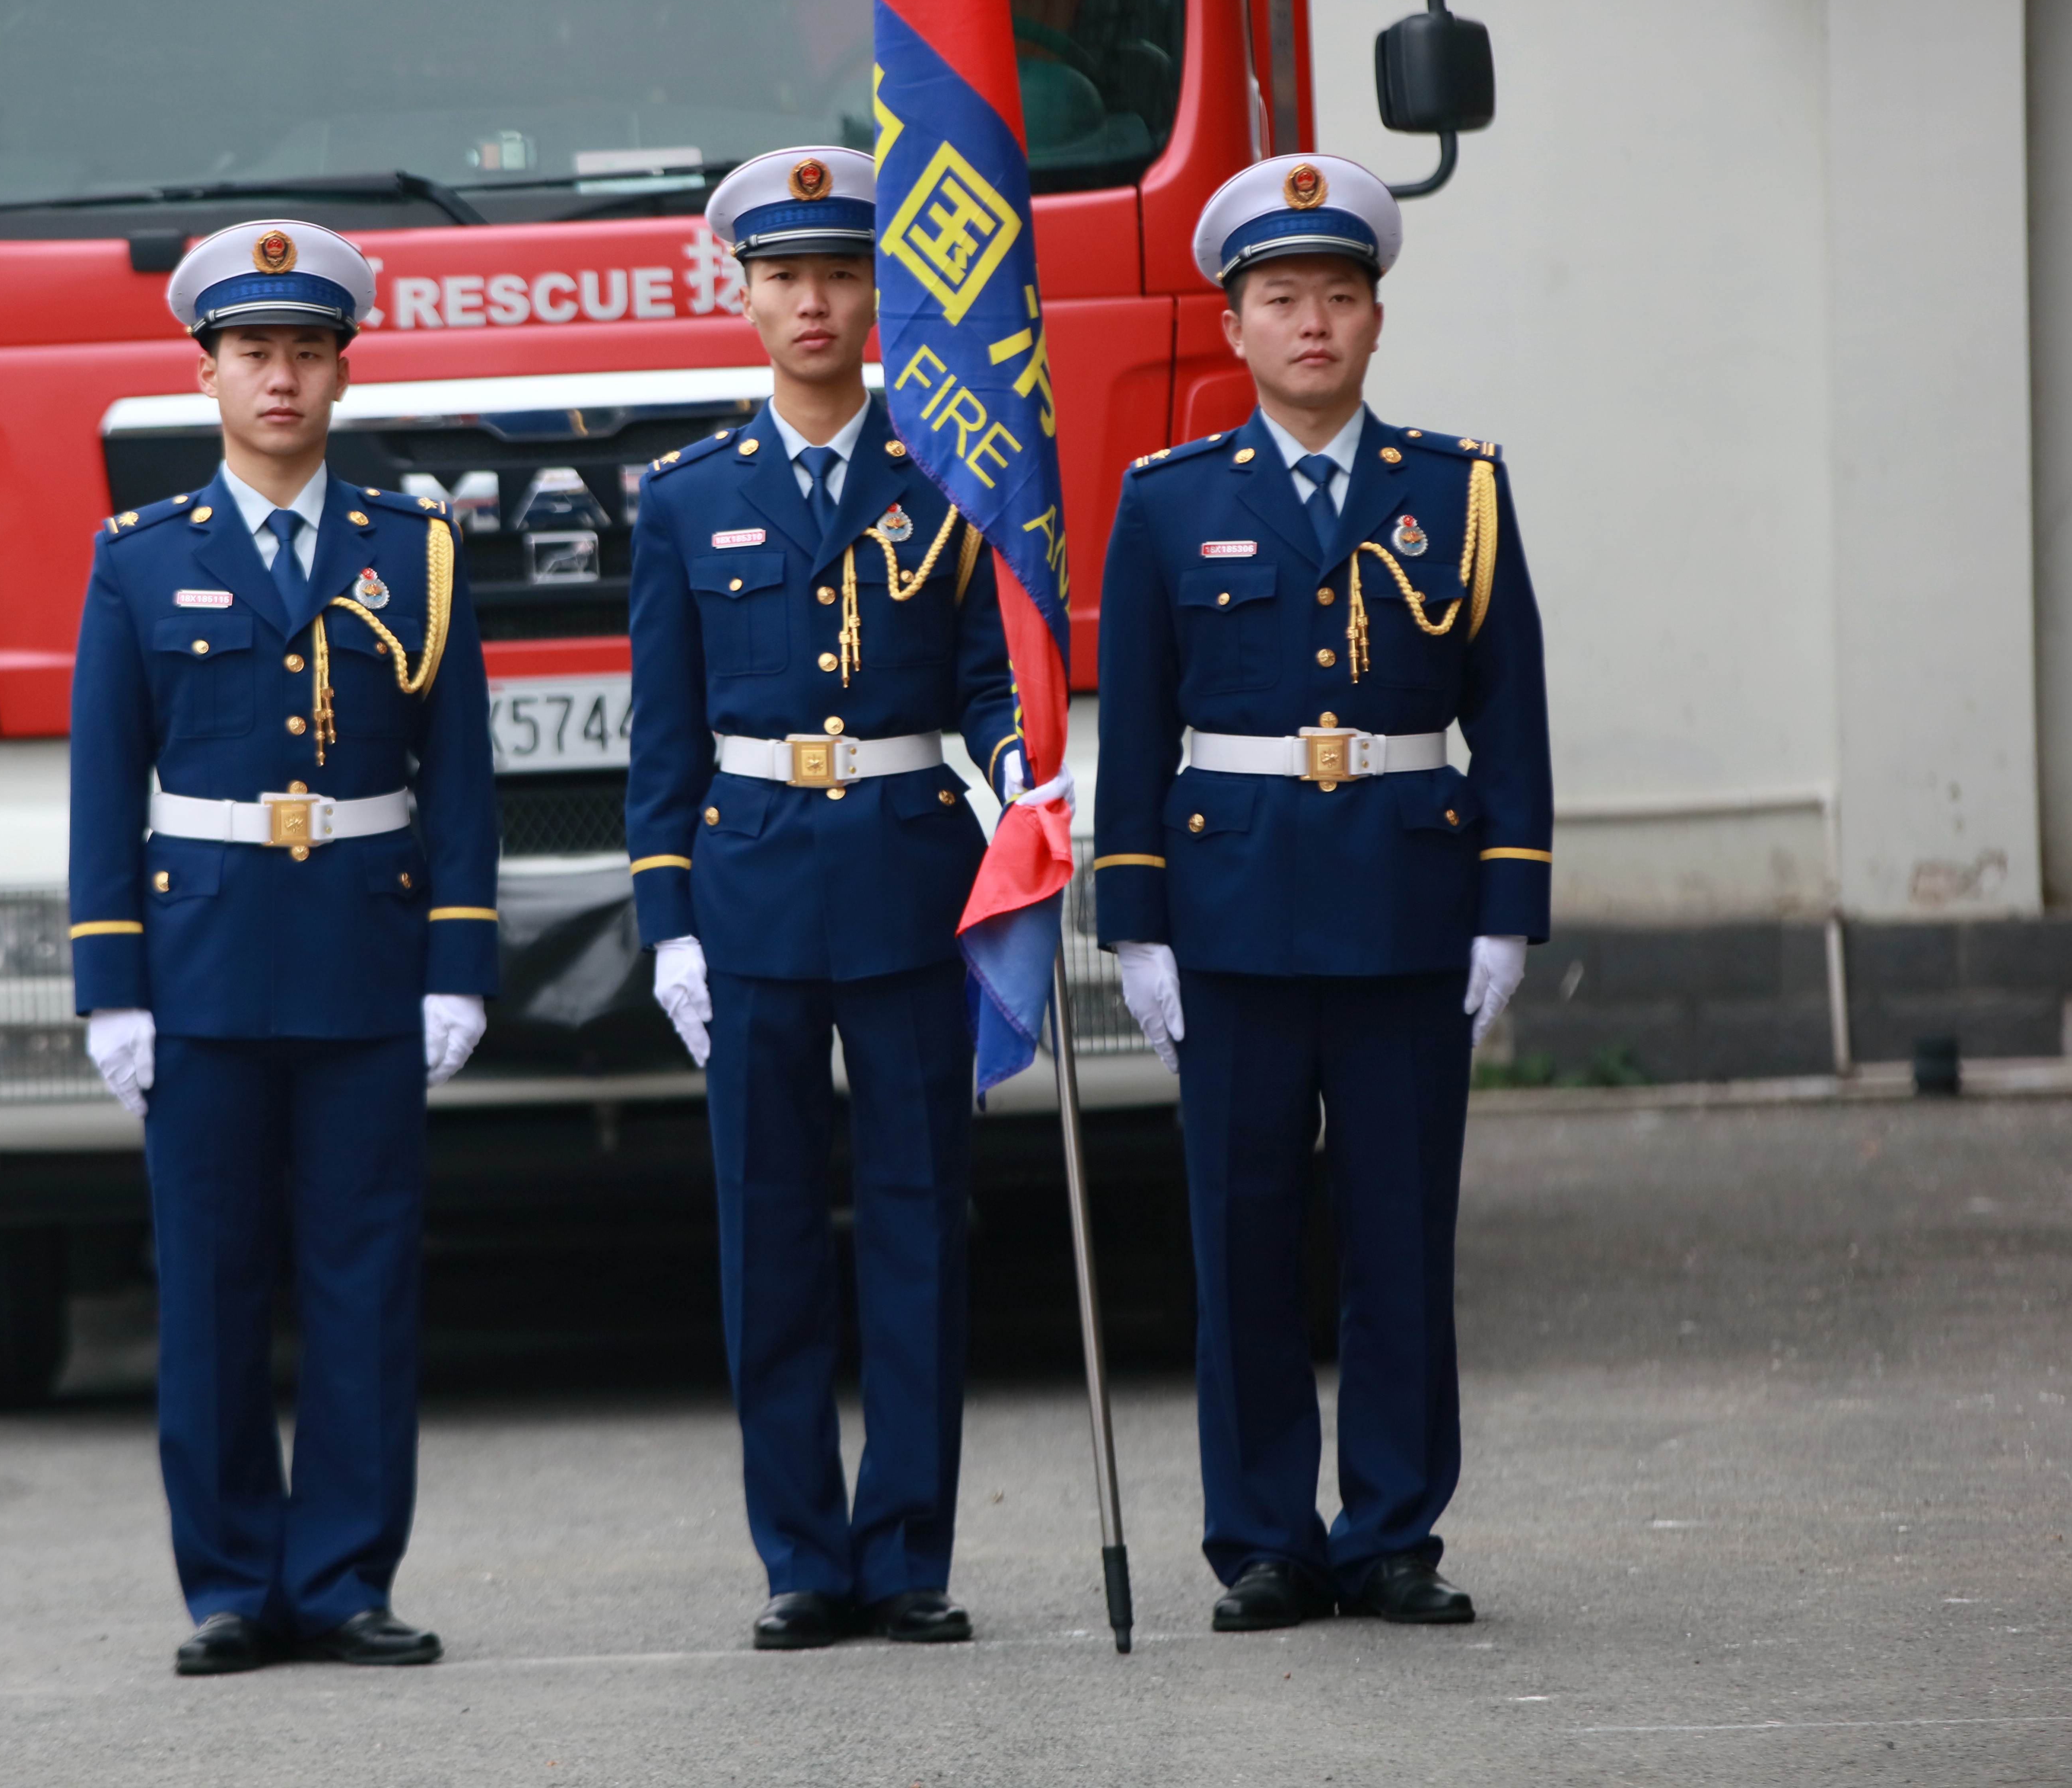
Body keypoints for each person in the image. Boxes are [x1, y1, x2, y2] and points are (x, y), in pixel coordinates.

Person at [1090, 154, 1552, 1632]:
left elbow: (1515, 710)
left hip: (1410, 910)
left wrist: (1508, 906)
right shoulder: (1167, 503)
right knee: (1243, 1236)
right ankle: (1268, 1540)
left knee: (1403, 1234)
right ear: (1233, 328)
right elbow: (1141, 728)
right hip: (1233, 914)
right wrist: (1136, 925)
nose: (1311, 325)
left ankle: (1396, 1530)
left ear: (1372, 322)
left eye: (1337, 298)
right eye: (1280, 299)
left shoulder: (1456, 491)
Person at [625, 146, 1064, 1650]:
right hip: (749, 887)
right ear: (740, 297)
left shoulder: (947, 473)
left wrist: (1029, 770)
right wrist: (667, 921)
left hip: (907, 876)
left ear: (882, 293)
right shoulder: (687, 499)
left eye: (841, 273)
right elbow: (665, 738)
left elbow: (990, 678)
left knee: (917, 1222)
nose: (814, 302)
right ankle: (801, 1556)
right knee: (766, 1231)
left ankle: (910, 1551)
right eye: (785, 275)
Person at [67, 220, 497, 1675]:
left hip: (364, 960)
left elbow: (463, 778)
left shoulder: (414, 552)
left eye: (307, 354)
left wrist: (460, 962)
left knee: (366, 1276)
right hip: (198, 969)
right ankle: (231, 1586)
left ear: (342, 376)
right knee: (208, 1284)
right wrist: (109, 986)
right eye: (253, 354)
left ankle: (348, 1576)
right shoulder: (137, 562)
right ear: (207, 374)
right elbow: (101, 787)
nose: (280, 380)